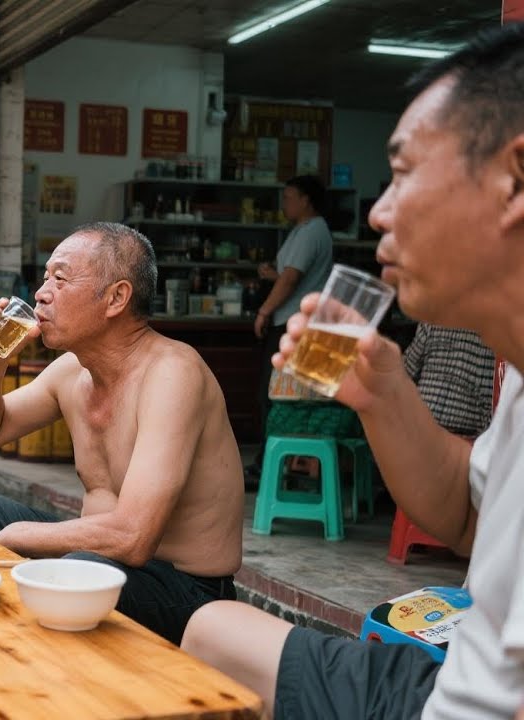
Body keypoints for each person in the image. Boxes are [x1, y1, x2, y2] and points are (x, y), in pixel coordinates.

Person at [181, 25, 524, 719]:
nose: (376, 212)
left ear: (514, 179)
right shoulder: (516, 376)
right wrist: (384, 395)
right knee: (213, 630)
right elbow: (465, 515)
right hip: (454, 679)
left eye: (403, 174)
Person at [0, 222, 244, 645]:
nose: (41, 293)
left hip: (187, 591)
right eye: (45, 279)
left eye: (60, 279)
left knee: (79, 572)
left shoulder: (172, 373)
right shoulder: (70, 372)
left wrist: (20, 536)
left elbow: (133, 537)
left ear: (116, 298)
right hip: (98, 559)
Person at [252, 175, 335, 471]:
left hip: (294, 324)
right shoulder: (301, 230)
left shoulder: (313, 231)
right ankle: (275, 461)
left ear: (306, 200)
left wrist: (264, 311)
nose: (284, 203)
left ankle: (273, 463)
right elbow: (289, 275)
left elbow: (290, 279)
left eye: (289, 198)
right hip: (289, 318)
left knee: (278, 396)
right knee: (277, 395)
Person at [404, 322, 496, 438]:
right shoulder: (432, 321)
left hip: (464, 436)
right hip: (418, 426)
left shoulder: (497, 335)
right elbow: (404, 372)